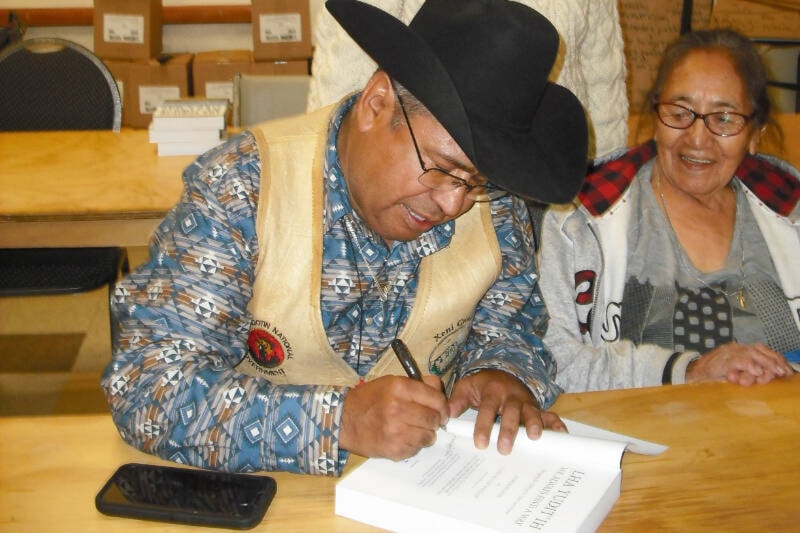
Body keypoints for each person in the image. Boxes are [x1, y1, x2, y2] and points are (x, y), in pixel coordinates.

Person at [101, 0, 589, 476]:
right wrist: (340, 421)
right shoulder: (240, 189)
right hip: (263, 495)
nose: (453, 204)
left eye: (475, 183)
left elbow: (512, 327)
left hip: (432, 490)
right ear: (377, 105)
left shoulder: (493, 204)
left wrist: (502, 373)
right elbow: (148, 386)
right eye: (442, 170)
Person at [537, 28, 798, 393]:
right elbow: (553, 362)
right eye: (679, 112)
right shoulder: (581, 218)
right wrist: (688, 369)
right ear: (656, 116)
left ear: (755, 133)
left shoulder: (790, 211)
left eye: (723, 119)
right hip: (639, 436)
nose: (697, 138)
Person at [307, 0, 629, 160]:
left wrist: (606, 177)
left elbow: (602, 81)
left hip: (543, 171)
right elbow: (343, 79)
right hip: (430, 172)